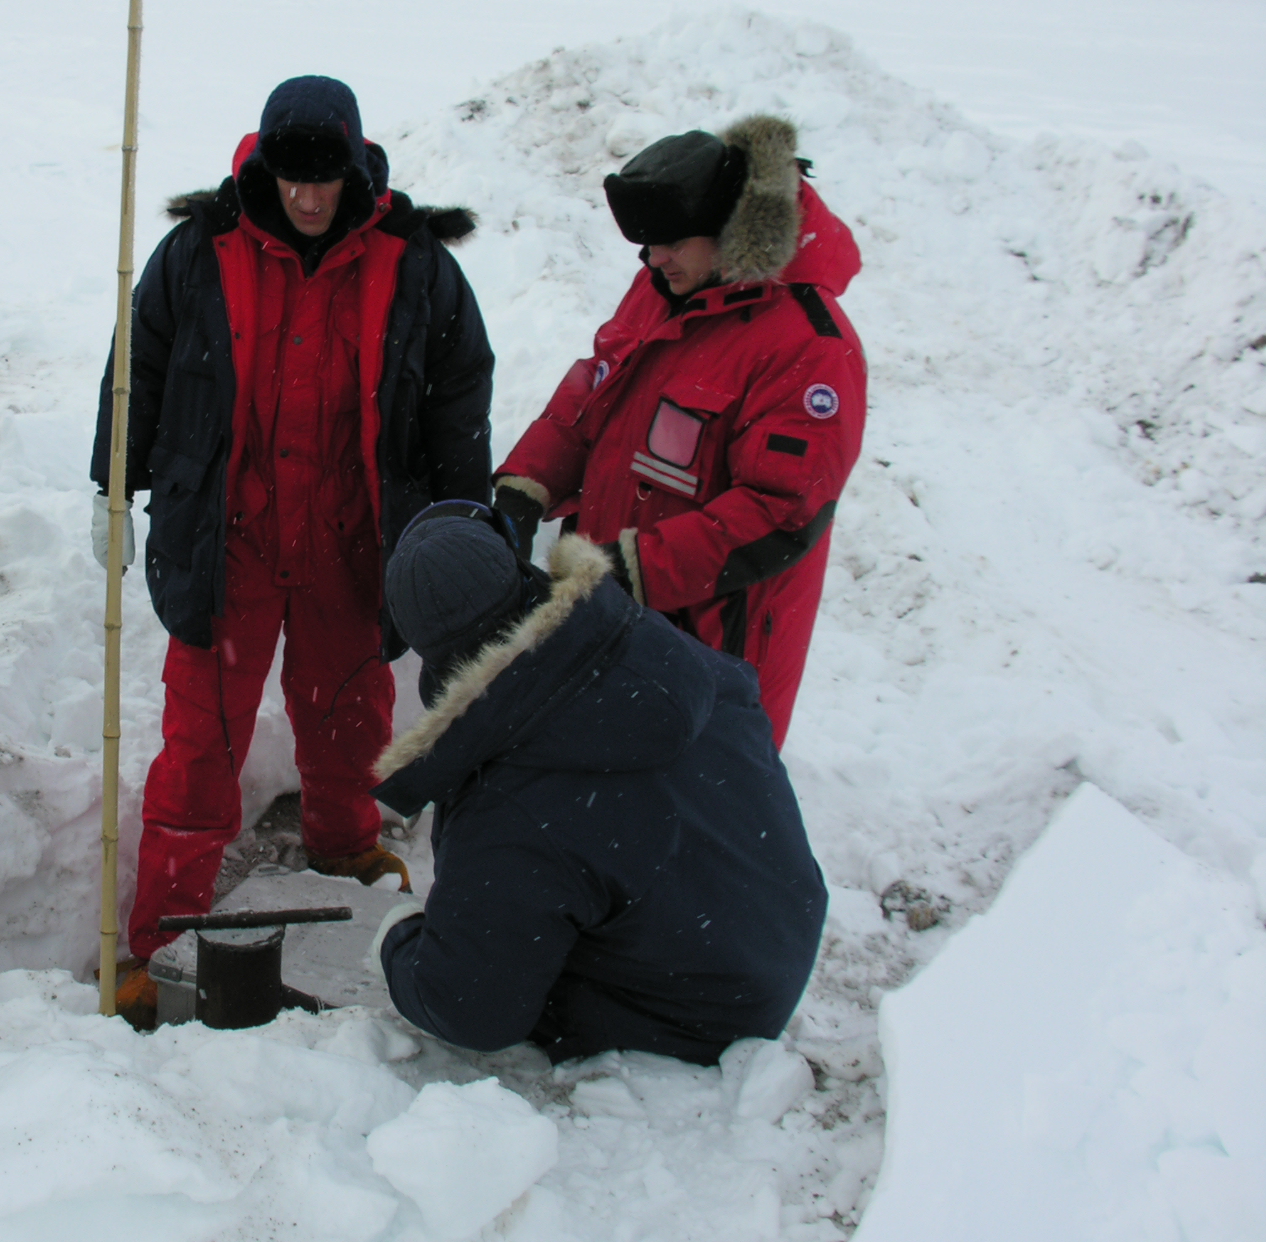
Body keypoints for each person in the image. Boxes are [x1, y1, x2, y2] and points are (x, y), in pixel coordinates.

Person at [90, 75, 494, 1028]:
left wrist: (463, 519)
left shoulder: (414, 262)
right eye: (292, 178)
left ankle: (344, 846)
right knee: (201, 743)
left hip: (354, 541)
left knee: (350, 712)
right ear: (264, 167)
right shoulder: (200, 250)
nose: (309, 199)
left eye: (327, 179)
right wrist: (112, 483)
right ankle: (158, 933)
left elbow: (457, 398)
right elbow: (138, 366)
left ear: (357, 169)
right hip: (225, 540)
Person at [368, 505, 828, 1064]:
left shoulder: (509, 800)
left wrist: (399, 943)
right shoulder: (649, 648)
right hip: (775, 940)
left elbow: (469, 1008)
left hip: (691, 1020)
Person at [491, 116, 865, 745]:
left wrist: (633, 569)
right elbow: (597, 386)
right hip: (609, 614)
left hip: (710, 648)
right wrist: (526, 485)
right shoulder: (664, 284)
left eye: (670, 242)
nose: (652, 259)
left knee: (686, 794)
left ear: (730, 228)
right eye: (646, 244)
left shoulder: (809, 346)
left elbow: (781, 511)